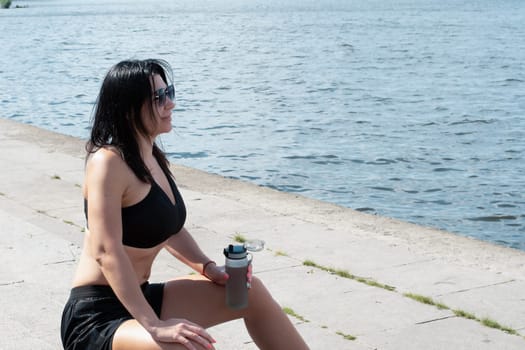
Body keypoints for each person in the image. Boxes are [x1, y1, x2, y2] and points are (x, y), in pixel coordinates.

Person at [60, 59, 309, 350]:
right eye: (159, 97)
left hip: (140, 297)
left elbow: (170, 229)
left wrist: (208, 267)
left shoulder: (151, 156)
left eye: (170, 92)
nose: (171, 104)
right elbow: (106, 251)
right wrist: (154, 325)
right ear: (129, 108)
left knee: (248, 293)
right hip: (97, 316)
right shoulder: (107, 162)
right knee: (191, 345)